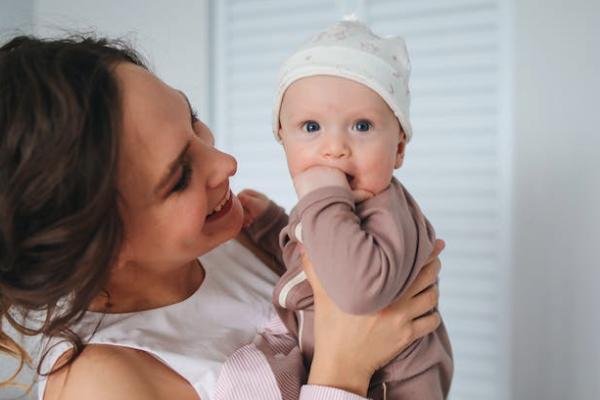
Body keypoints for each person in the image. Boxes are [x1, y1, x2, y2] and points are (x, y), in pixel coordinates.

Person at [0, 35, 443, 400]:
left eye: (193, 121)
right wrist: (342, 368)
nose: (226, 162)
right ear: (98, 246)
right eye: (179, 177)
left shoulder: (242, 233)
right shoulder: (103, 384)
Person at [241, 20, 452, 399]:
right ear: (282, 140)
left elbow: (357, 291)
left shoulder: (384, 209)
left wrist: (322, 197)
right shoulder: (333, 209)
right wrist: (271, 224)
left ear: (399, 148)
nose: (334, 147)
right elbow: (316, 264)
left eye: (361, 125)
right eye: (310, 127)